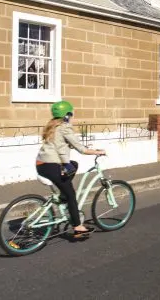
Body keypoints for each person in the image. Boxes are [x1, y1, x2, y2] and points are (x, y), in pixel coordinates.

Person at [36, 100, 106, 238]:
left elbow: (61, 144)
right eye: (71, 114)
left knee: (73, 164)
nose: (72, 117)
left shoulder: (52, 126)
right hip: (52, 166)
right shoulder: (64, 127)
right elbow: (81, 149)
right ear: (67, 115)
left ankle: (63, 195)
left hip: (41, 165)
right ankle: (78, 227)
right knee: (71, 195)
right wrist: (98, 152)